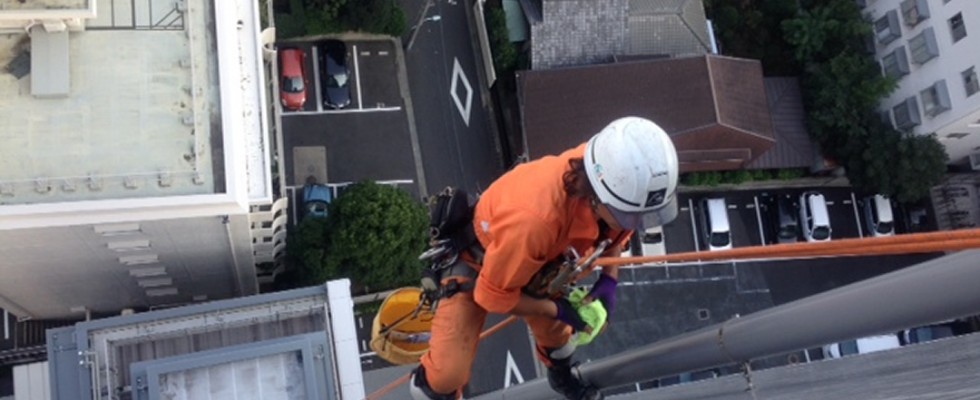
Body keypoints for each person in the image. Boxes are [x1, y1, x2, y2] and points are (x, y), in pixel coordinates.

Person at [409, 116, 679, 400]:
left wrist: (609, 282)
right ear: (597, 196)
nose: (635, 224)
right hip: (482, 260)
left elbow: (616, 233)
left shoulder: (615, 172)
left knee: (561, 342)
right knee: (446, 375)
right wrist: (557, 310)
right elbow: (491, 296)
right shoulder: (537, 220)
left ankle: (562, 377)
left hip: (541, 264)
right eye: (629, 216)